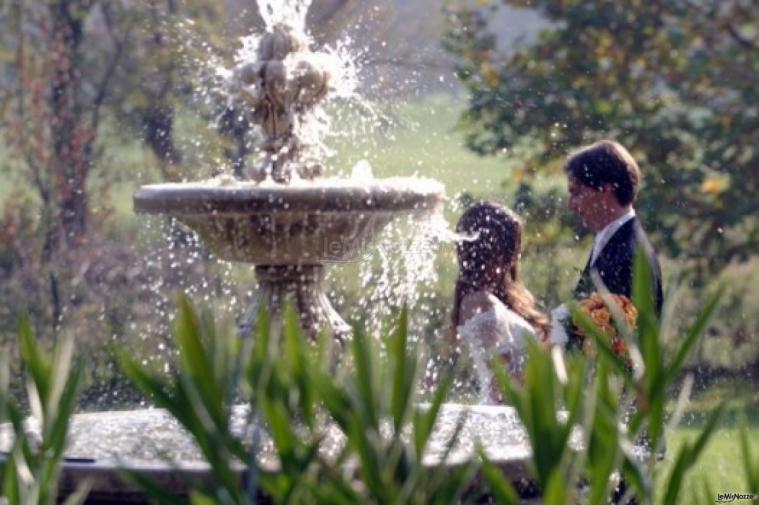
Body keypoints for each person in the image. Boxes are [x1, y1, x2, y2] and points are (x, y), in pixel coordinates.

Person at [552, 140, 663, 345]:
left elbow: (626, 342)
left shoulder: (632, 254)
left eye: (576, 193)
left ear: (605, 188)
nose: (571, 205)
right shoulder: (613, 240)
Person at [452, 201, 549, 404]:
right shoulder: (482, 302)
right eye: (512, 247)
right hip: (506, 418)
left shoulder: (496, 300)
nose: (515, 257)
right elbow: (503, 383)